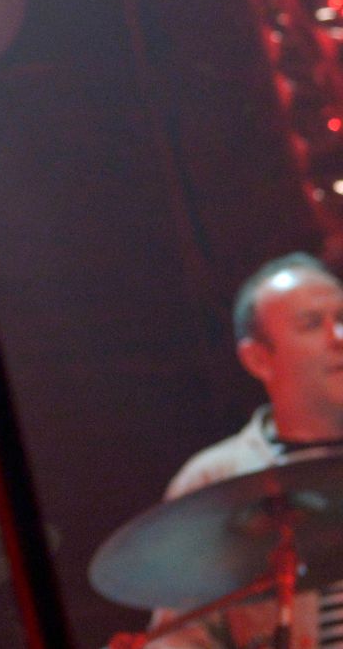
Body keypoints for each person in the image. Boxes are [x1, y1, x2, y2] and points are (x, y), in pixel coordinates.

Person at [145, 253, 343, 648]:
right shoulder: (215, 481)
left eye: (341, 318)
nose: (339, 337)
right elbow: (180, 639)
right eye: (312, 324)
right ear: (258, 359)